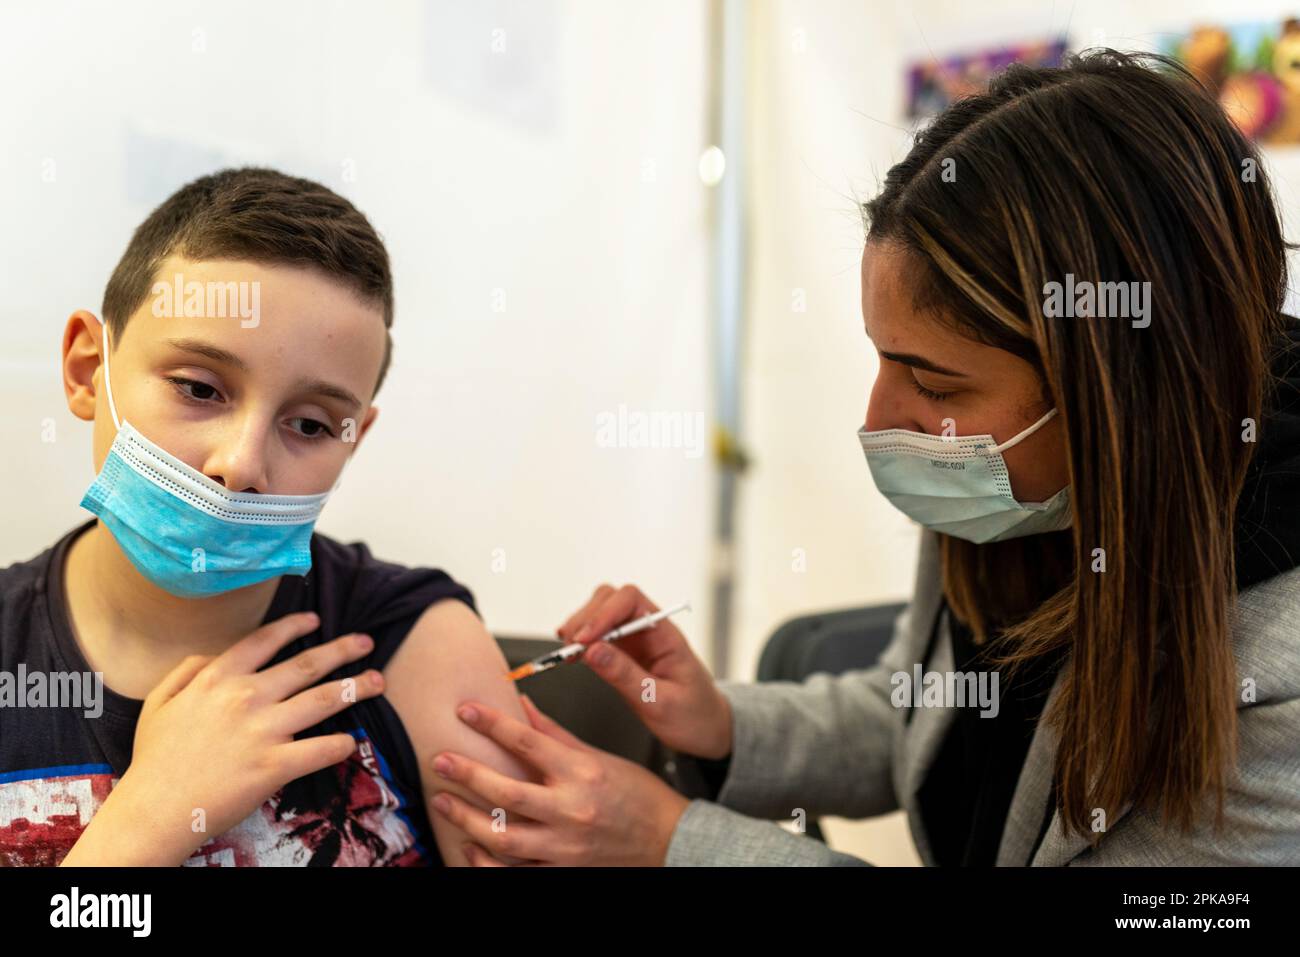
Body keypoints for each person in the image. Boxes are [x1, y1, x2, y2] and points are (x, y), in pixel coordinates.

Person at [430, 50, 1300, 865]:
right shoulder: (1027, 485)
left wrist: (675, 839)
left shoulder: (1280, 673)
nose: (882, 418)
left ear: (1120, 395)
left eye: (937, 384)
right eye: (882, 358)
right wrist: (722, 722)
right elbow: (917, 715)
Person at [0, 168, 534, 866]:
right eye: (199, 387)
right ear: (86, 369)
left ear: (354, 438)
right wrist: (144, 822)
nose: (241, 464)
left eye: (310, 425)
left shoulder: (414, 643)